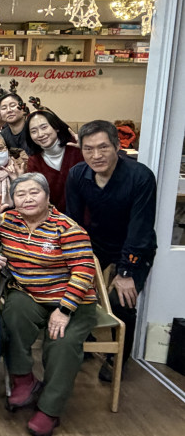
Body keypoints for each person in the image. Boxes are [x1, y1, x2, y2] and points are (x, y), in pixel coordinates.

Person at [0, 173, 97, 436]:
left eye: (34, 192)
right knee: (12, 315)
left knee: (62, 343)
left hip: (72, 301)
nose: (27, 199)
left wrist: (64, 310)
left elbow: (84, 271)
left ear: (48, 196)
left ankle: (50, 408)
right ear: (13, 200)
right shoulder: (6, 221)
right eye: (20, 194)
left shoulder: (68, 229)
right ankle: (23, 379)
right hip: (29, 294)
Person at [65, 120, 157, 382]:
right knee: (76, 287)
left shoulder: (140, 176)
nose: (96, 155)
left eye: (103, 147)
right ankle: (85, 340)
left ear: (117, 146)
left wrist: (126, 271)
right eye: (89, 149)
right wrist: (76, 259)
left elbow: (140, 228)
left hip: (134, 244)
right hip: (97, 241)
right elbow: (73, 222)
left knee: (121, 300)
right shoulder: (77, 175)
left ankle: (118, 358)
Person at [24, 108, 83, 213]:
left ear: (56, 127)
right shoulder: (34, 161)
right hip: (56, 218)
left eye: (44, 127)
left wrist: (88, 149)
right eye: (33, 131)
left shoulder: (77, 147)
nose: (40, 134)